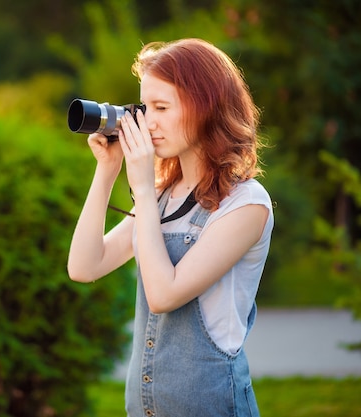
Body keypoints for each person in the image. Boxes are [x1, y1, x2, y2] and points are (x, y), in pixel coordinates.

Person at [67, 38, 274, 417]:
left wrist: (144, 191)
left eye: (163, 107)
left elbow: (164, 294)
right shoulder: (163, 196)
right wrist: (108, 170)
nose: (149, 121)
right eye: (147, 108)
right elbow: (83, 267)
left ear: (207, 106)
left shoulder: (246, 204)